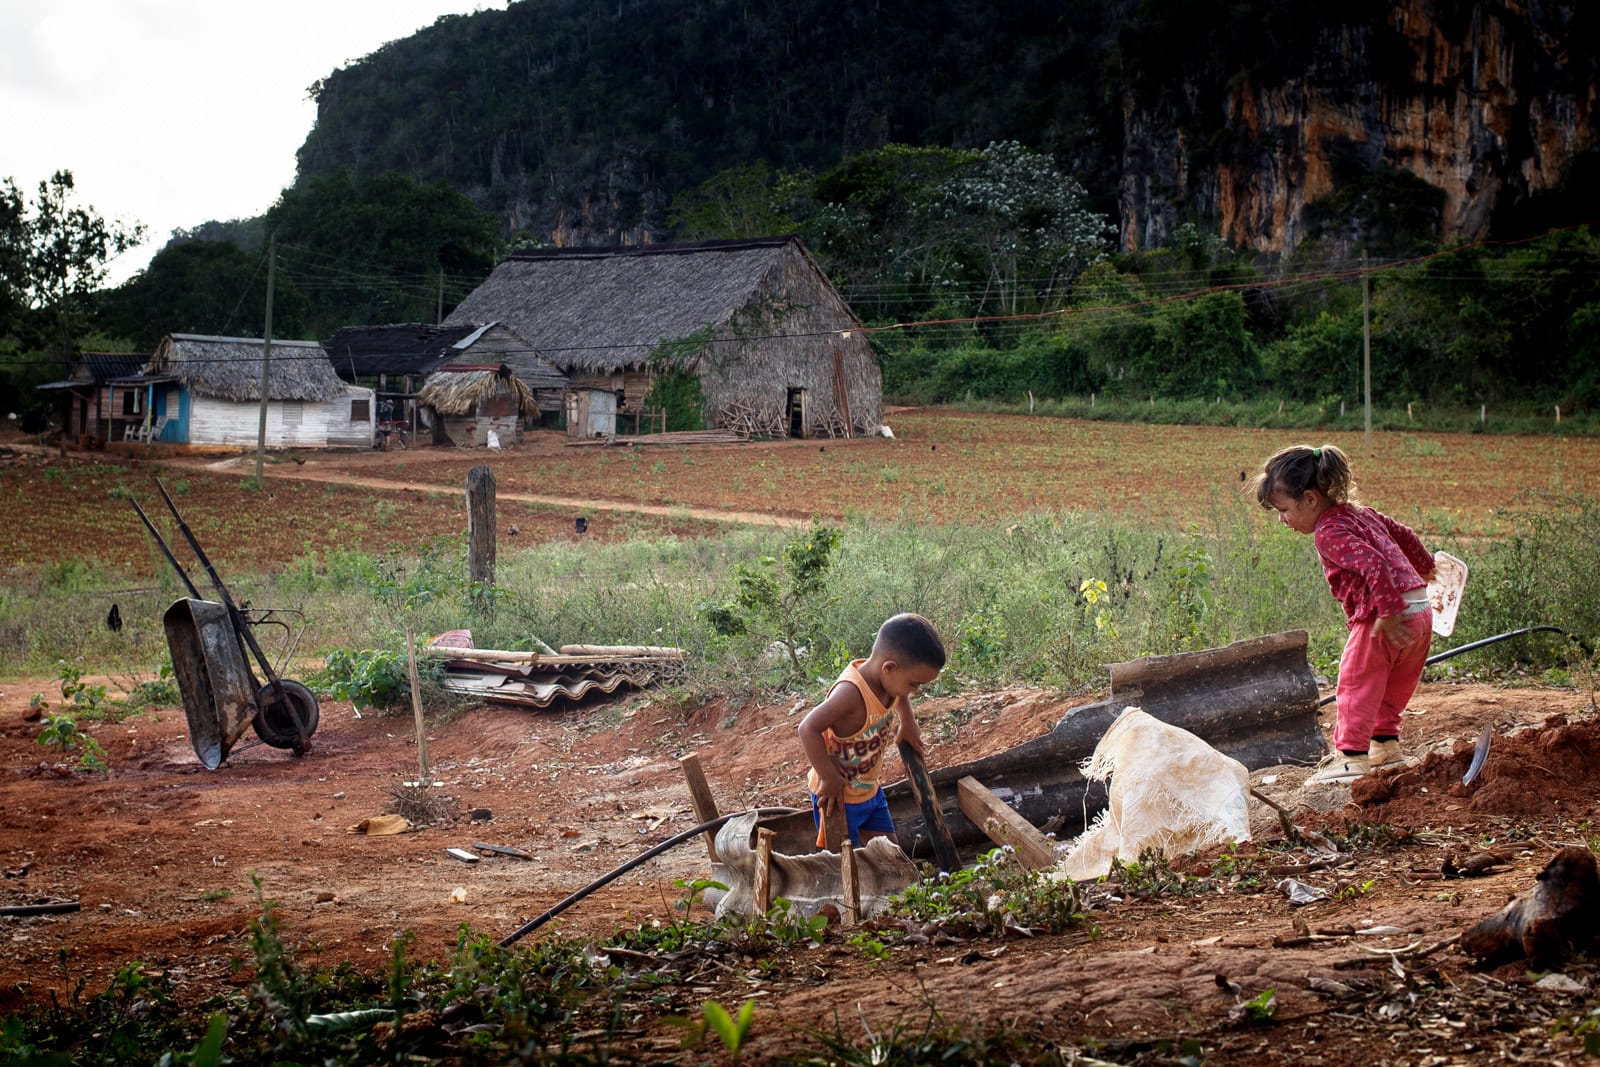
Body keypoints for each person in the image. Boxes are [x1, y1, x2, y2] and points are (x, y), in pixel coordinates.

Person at [1252, 444, 1436, 784]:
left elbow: (1373, 564)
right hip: (1421, 610)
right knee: (1390, 685)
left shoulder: (1328, 532)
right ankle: (1385, 746)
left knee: (1356, 680)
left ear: (1309, 499)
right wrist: (1425, 569)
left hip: (1385, 615)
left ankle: (1351, 758)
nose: (1282, 520)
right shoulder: (1361, 513)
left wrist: (1390, 608)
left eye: (1284, 510)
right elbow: (1406, 536)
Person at [798, 613, 946, 848]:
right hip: (838, 799)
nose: (914, 691)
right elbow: (807, 728)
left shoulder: (889, 682)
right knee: (849, 867)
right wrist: (828, 776)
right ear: (889, 667)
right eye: (914, 684)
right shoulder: (850, 694)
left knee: (890, 858)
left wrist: (907, 721)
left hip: (870, 793)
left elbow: (900, 693)